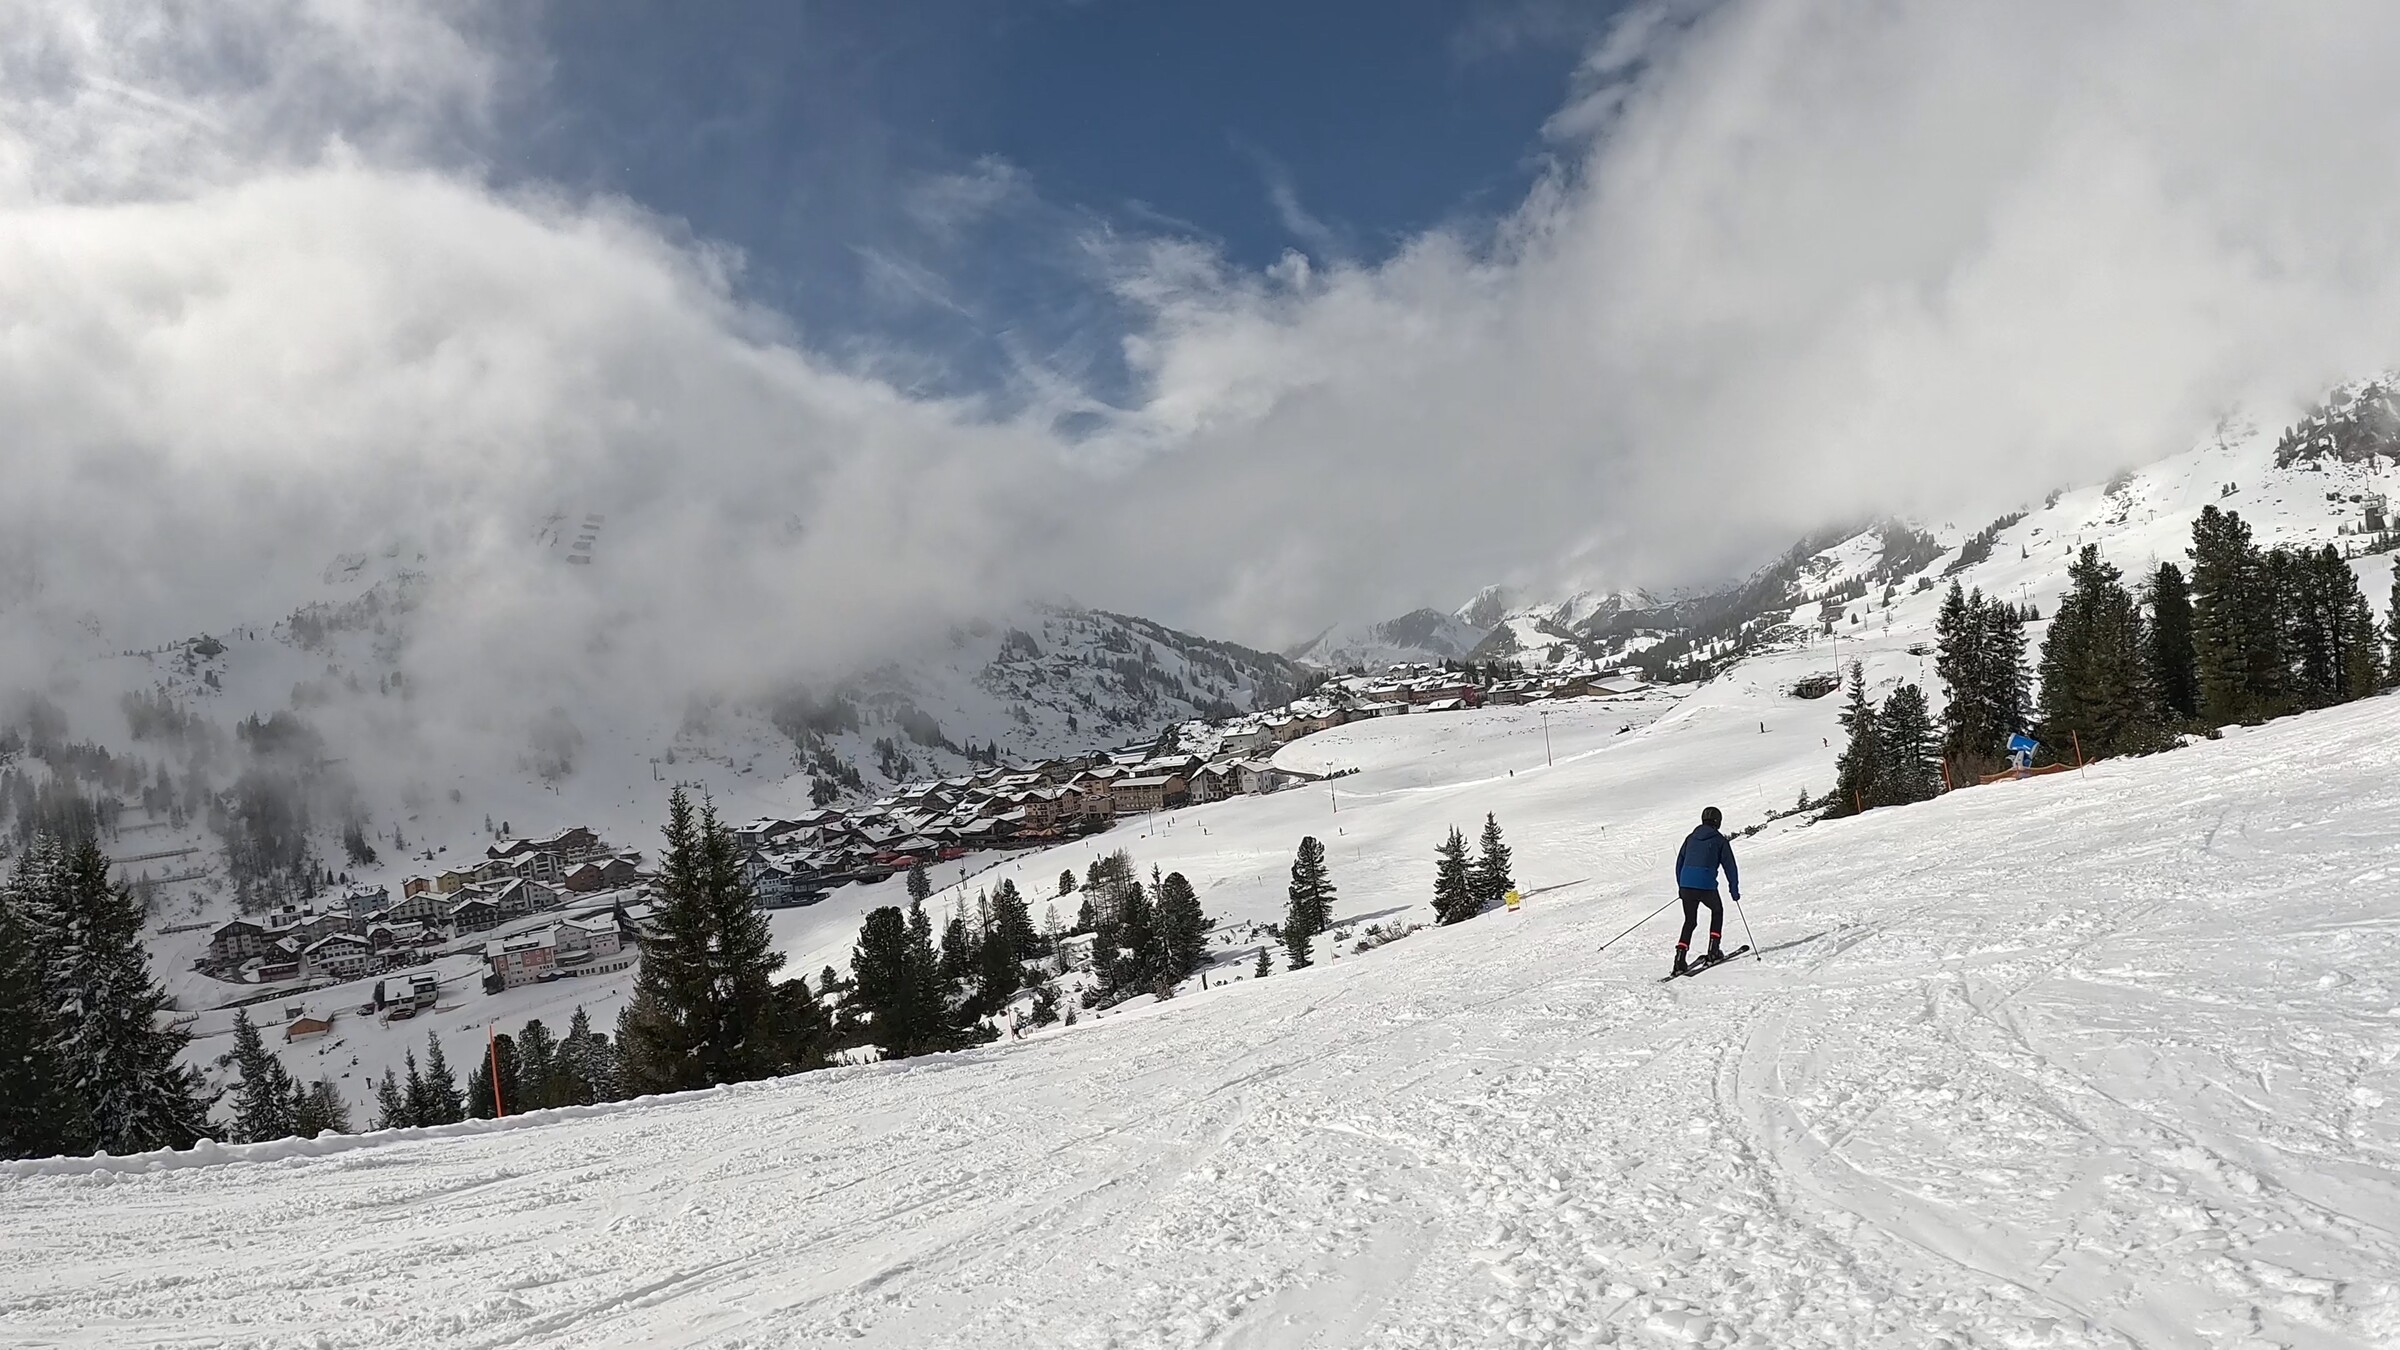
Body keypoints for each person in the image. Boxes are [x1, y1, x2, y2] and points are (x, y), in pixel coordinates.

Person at [1671, 806, 1740, 975]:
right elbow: (1730, 866)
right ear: (1718, 821)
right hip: (1706, 886)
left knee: (1690, 921)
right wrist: (1734, 889)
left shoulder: (1690, 838)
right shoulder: (1719, 840)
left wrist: (1681, 886)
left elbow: (1679, 863)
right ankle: (1713, 950)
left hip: (1686, 885)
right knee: (1717, 911)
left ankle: (1679, 959)